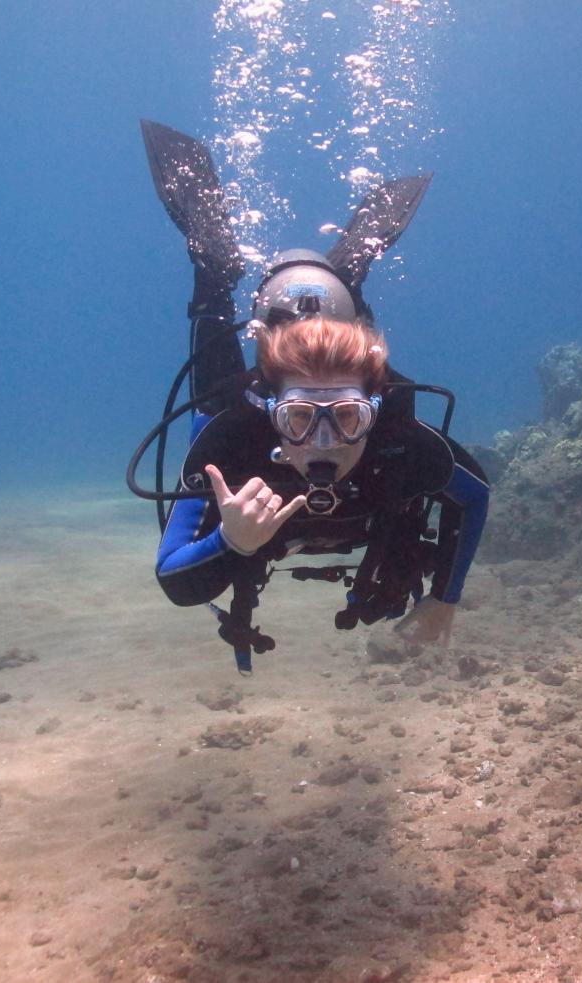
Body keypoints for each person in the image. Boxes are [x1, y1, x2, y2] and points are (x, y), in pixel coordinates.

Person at [133, 120, 488, 672]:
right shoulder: (234, 444)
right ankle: (217, 269)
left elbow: (476, 496)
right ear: (271, 413)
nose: (325, 440)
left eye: (347, 416)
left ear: (373, 411)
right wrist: (231, 540)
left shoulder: (399, 442)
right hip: (243, 409)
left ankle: (346, 282)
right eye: (299, 418)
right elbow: (176, 580)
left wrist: (445, 600)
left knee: (356, 353)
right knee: (213, 400)